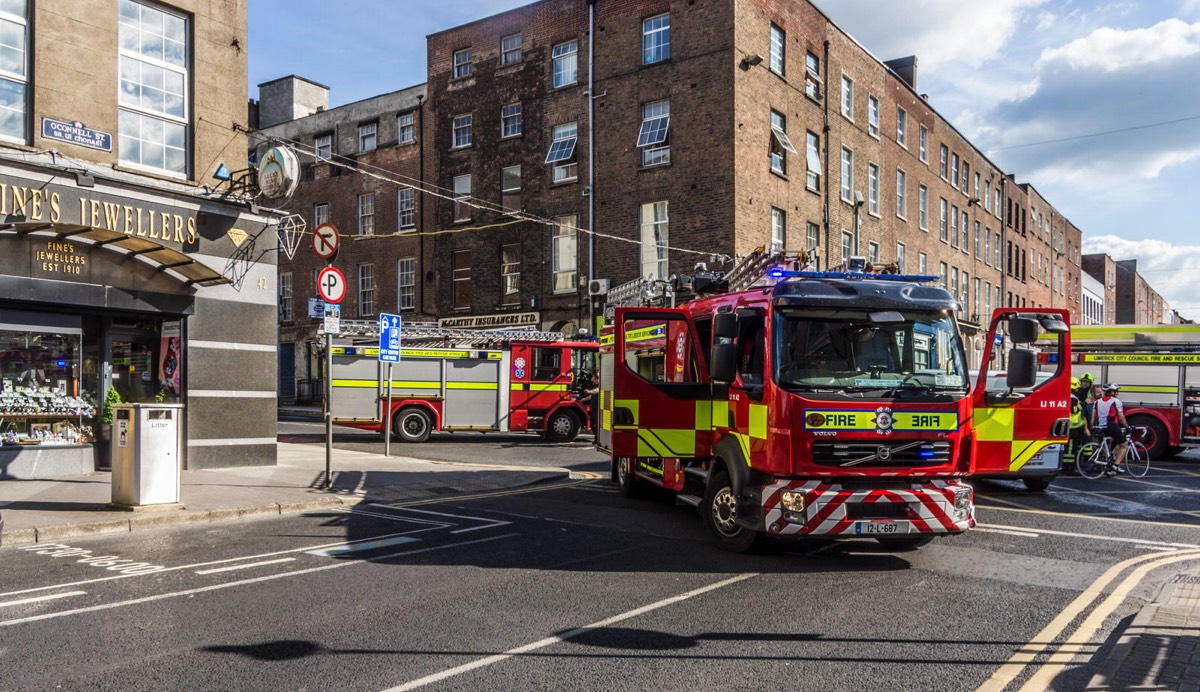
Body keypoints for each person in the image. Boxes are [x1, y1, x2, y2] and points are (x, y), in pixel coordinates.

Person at [1092, 383, 1129, 476]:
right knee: (1124, 445)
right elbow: (1121, 418)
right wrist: (1127, 426)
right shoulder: (1116, 401)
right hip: (1112, 426)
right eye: (1116, 391)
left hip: (1101, 427)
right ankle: (1116, 465)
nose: (1117, 393)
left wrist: (1092, 427)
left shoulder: (1097, 402)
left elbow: (1093, 418)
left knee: (1107, 447)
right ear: (1112, 392)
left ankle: (1109, 467)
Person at [1066, 377, 1090, 474]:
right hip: (1072, 427)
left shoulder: (1068, 396)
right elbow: (1074, 410)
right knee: (1071, 450)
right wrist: (1084, 404)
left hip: (1072, 427)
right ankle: (1069, 469)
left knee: (1071, 448)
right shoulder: (1073, 398)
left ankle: (1069, 467)